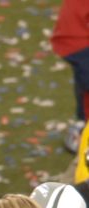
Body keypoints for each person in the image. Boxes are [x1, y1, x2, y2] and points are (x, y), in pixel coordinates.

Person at [52, 0, 89, 152]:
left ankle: (82, 126)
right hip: (79, 41)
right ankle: (83, 133)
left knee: (84, 83)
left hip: (74, 38)